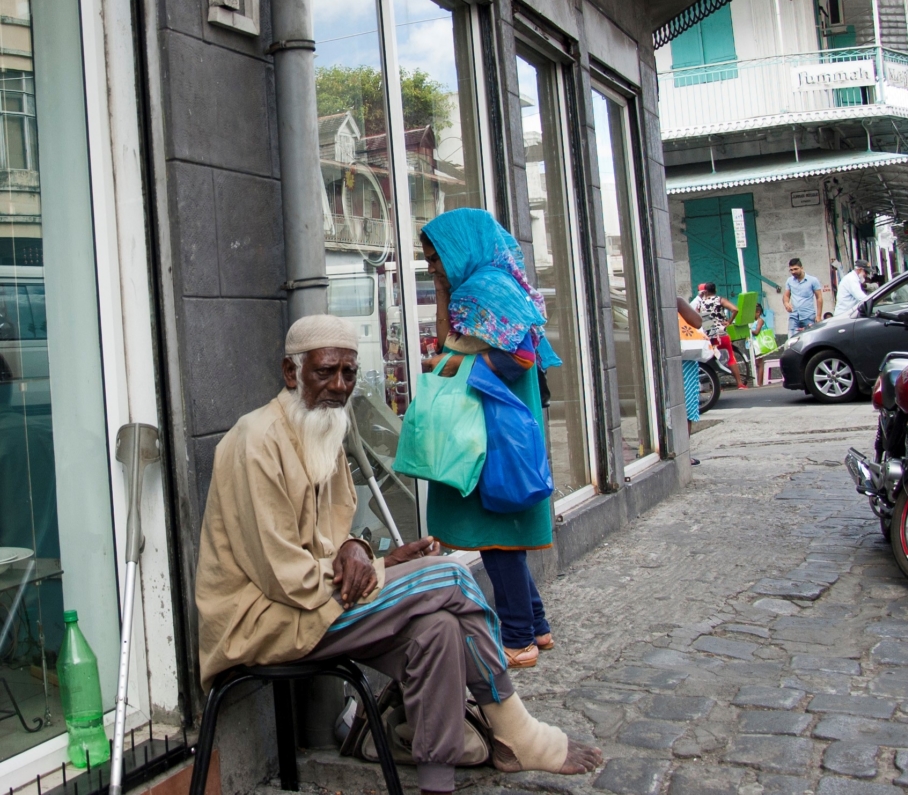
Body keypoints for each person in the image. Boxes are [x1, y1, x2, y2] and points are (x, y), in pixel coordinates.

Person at [195, 314, 602, 795]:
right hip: (265, 620)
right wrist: (388, 573)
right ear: (291, 373)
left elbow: (334, 542)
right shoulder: (256, 440)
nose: (339, 386)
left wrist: (373, 556)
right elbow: (285, 577)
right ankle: (517, 731)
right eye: (325, 372)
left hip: (312, 607)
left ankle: (437, 784)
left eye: (348, 373)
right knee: (450, 578)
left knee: (440, 628)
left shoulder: (321, 429)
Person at [417, 208, 561, 671]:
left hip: (491, 433)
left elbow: (517, 356)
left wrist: (461, 367)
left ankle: (518, 640)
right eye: (428, 261)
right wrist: (442, 291)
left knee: (497, 539)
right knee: (501, 536)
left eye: (436, 258)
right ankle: (536, 623)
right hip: (491, 428)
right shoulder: (480, 286)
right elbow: (448, 341)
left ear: (461, 248)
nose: (432, 267)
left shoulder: (487, 289)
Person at [695, 283, 746, 389]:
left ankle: (716, 385)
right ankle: (740, 383)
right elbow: (735, 309)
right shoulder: (719, 299)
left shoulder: (700, 303)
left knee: (711, 359)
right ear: (715, 289)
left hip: (709, 334)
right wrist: (729, 322)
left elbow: (696, 316)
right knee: (731, 357)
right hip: (722, 332)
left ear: (705, 292)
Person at [677, 296, 704, 466]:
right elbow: (697, 322)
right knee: (686, 406)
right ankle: (684, 453)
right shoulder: (675, 300)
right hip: (683, 359)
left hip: (659, 360)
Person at [783, 258, 823, 335]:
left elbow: (819, 298)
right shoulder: (789, 281)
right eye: (791, 270)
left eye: (795, 269)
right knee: (792, 341)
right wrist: (786, 303)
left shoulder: (813, 280)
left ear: (801, 268)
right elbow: (786, 295)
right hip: (794, 316)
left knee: (809, 340)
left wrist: (818, 316)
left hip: (808, 316)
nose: (793, 272)